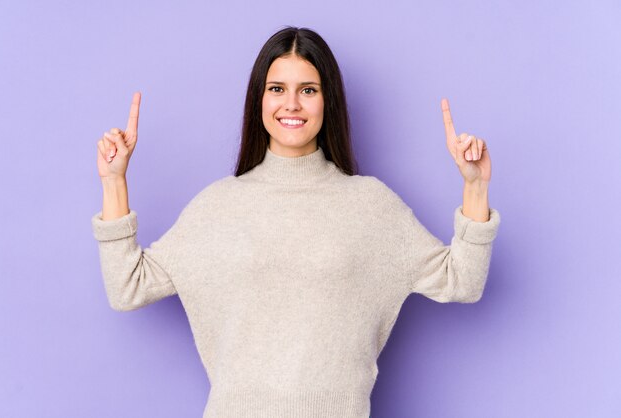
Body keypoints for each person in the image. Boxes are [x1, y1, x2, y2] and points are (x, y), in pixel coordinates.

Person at [92, 26, 500, 418]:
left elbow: (462, 281)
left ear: (328, 101)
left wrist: (476, 187)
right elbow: (127, 287)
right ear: (260, 101)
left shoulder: (369, 205)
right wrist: (114, 181)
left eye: (308, 90)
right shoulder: (220, 205)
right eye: (277, 90)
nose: (291, 104)